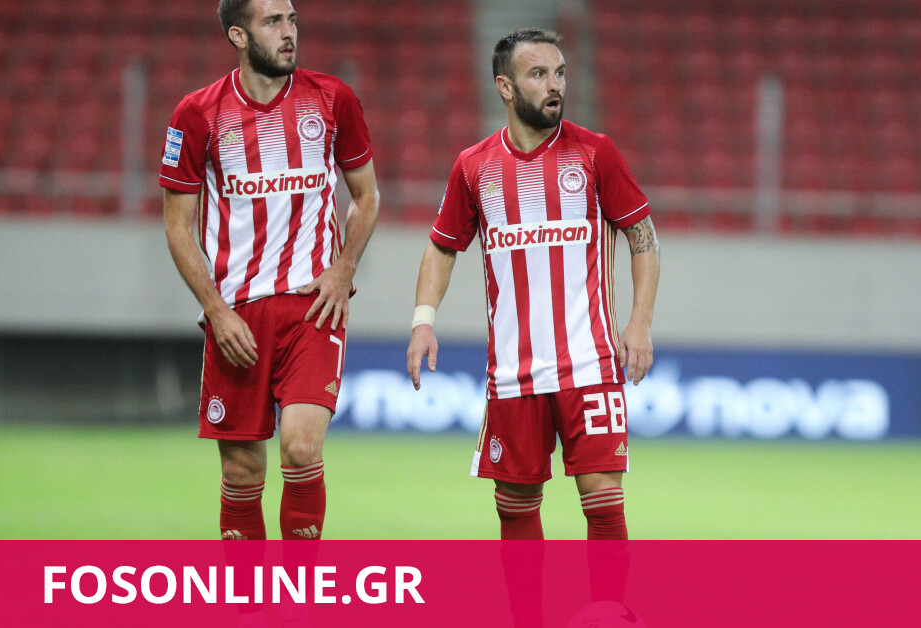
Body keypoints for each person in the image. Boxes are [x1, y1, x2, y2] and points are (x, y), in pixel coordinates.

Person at [406, 28, 660, 543]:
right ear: (505, 86)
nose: (555, 85)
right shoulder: (474, 166)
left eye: (560, 73)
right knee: (515, 508)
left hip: (589, 362)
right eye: (539, 74)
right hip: (512, 371)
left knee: (603, 501)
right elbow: (442, 247)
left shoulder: (595, 153)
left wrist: (640, 322)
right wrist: (423, 321)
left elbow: (643, 238)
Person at [161, 0, 378, 542]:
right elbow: (177, 227)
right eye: (273, 22)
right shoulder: (197, 113)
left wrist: (343, 268)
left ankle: (298, 588)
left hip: (313, 307)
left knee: (301, 448)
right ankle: (251, 591)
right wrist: (215, 311)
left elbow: (366, 196)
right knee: (241, 472)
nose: (289, 32)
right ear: (239, 35)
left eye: (292, 20)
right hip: (237, 317)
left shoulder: (332, 98)